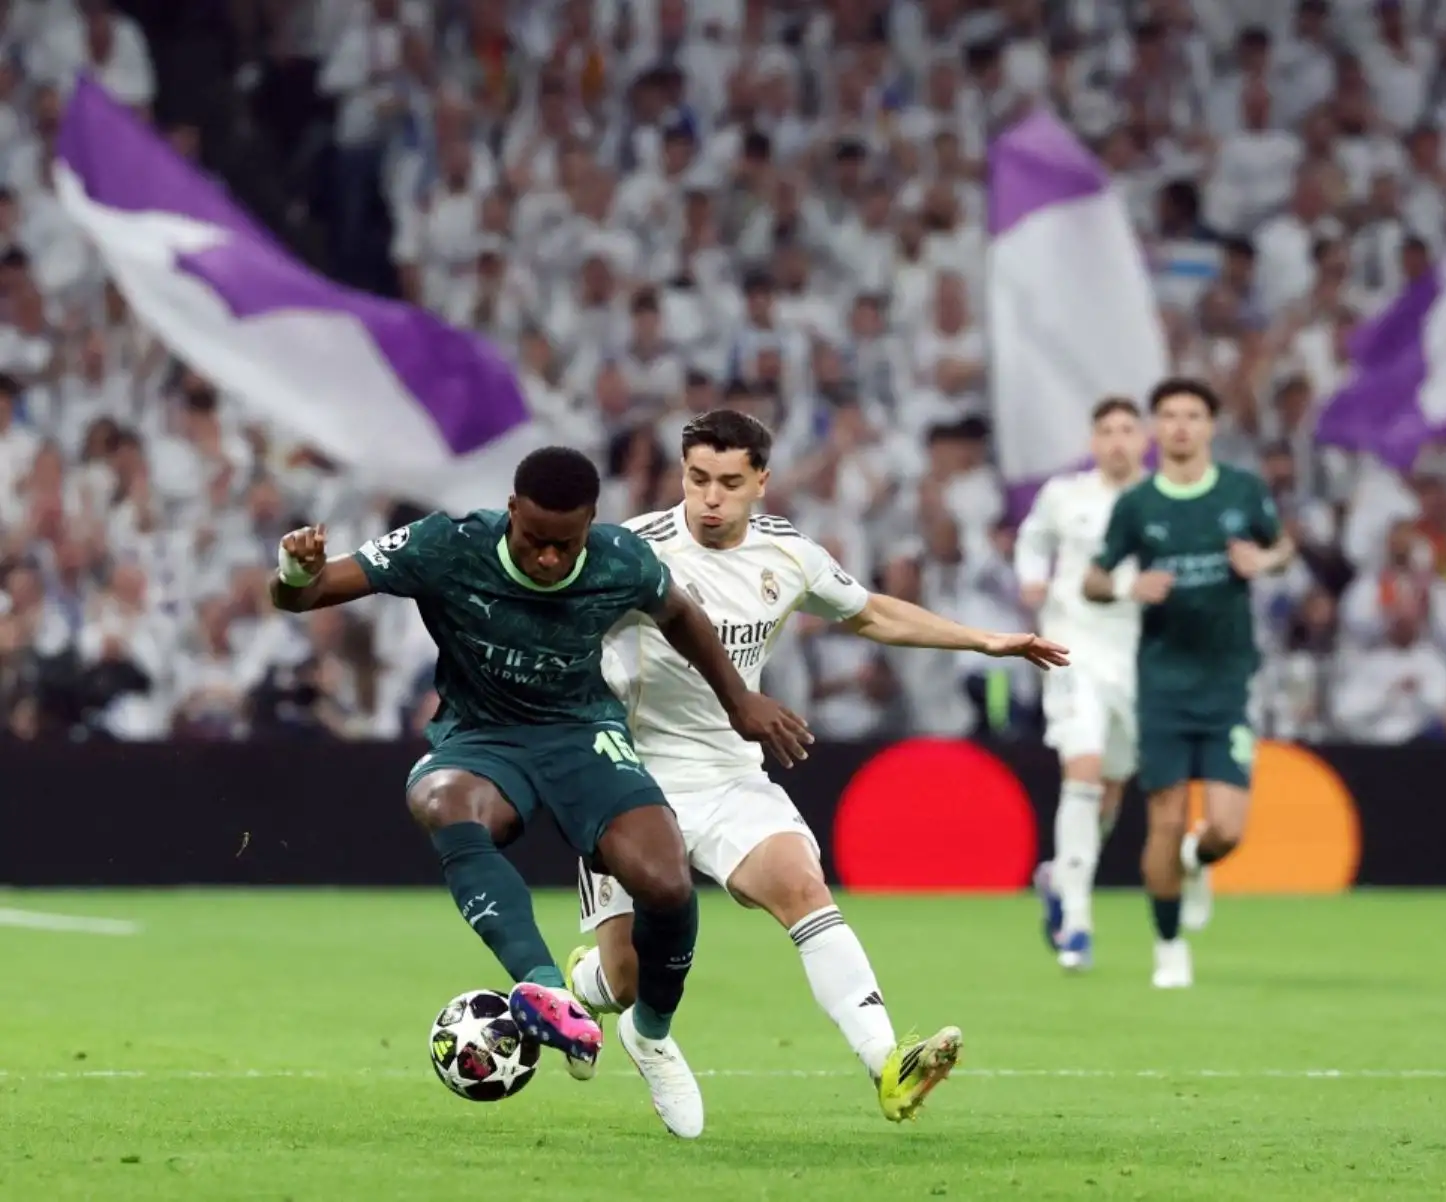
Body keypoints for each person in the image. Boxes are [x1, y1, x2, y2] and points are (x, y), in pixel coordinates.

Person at [270, 446, 809, 1139]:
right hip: (484, 736)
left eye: (567, 543)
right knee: (441, 800)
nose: (551, 559)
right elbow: (305, 595)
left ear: (590, 523)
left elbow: (679, 613)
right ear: (512, 510)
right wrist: (295, 572)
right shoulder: (448, 546)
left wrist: (739, 701)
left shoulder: (619, 560)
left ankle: (651, 1034)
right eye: (535, 541)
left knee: (667, 882)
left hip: (583, 734)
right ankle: (547, 988)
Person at [565, 410, 1068, 1122]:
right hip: (628, 776)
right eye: (697, 478)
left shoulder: (789, 556)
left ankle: (889, 1065)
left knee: (803, 887)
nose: (710, 498)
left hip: (728, 775)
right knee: (625, 977)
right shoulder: (631, 550)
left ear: (761, 482)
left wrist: (985, 642)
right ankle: (584, 989)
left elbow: (868, 614)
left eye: (729, 483)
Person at [1083, 379, 1294, 989]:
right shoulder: (1138, 505)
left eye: (1192, 416)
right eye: (1169, 416)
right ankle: (1168, 945)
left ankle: (1198, 864)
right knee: (1165, 819)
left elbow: (1282, 545)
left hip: (1227, 681)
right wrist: (1129, 587)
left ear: (1210, 426)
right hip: (1163, 685)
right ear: (1156, 429)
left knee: (1226, 830)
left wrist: (1265, 561)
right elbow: (1094, 581)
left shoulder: (1241, 491)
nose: (1180, 426)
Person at [1015, 395, 1208, 970]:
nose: (1119, 440)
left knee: (1112, 789)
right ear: (1094, 440)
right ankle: (1076, 922)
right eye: (1108, 430)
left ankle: (1060, 876)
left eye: (1129, 430)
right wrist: (1032, 579)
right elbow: (1032, 540)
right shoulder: (1063, 496)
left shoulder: (1164, 499)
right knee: (1085, 768)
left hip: (1139, 658)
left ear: (1142, 440)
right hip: (1074, 649)